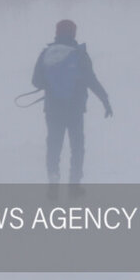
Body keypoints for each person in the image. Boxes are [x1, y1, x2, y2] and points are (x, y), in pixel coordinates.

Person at [31, 19, 112, 195]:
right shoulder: (79, 54)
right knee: (77, 147)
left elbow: (36, 81)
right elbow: (92, 80)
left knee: (54, 145)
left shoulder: (47, 54)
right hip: (75, 109)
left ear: (57, 32)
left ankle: (53, 182)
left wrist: (51, 84)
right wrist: (105, 100)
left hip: (53, 109)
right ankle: (74, 186)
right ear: (74, 33)